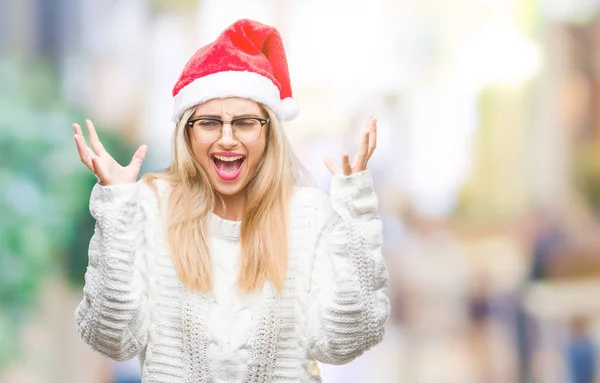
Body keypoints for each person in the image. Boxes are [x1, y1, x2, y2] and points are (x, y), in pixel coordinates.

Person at [72, 18, 389, 382]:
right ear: (187, 134)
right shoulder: (150, 205)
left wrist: (356, 210)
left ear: (269, 132)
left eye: (244, 122)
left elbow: (345, 341)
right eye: (208, 122)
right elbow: (112, 340)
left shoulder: (307, 213)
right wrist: (116, 206)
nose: (226, 138)